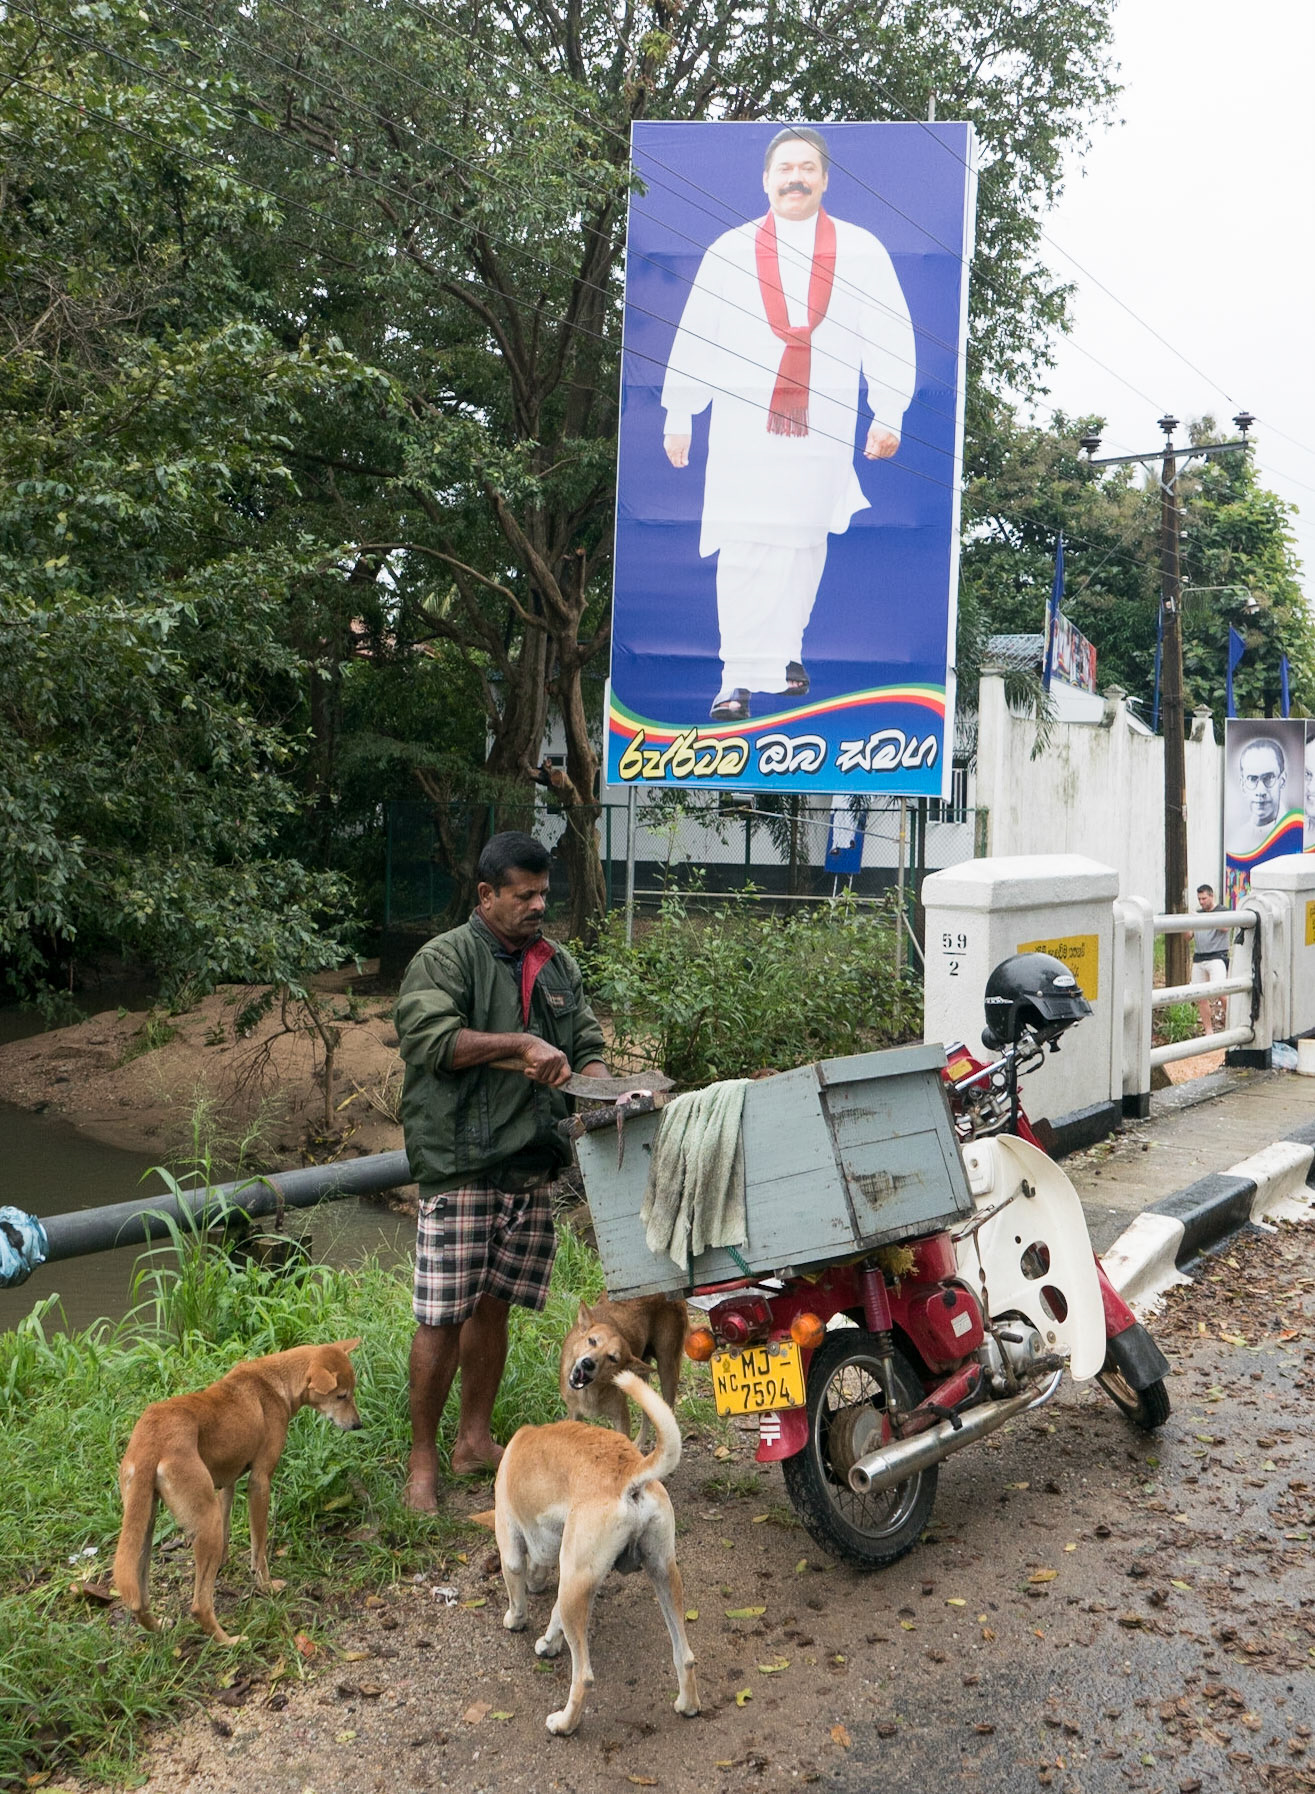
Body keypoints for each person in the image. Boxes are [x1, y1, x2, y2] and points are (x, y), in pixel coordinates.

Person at [661, 126, 916, 723]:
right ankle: (736, 677)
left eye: (807, 168)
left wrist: (889, 412)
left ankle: (785, 654)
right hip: (742, 432)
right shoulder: (729, 251)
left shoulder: (861, 251)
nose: (795, 178)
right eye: (785, 168)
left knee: (804, 543)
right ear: (766, 180)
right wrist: (680, 412)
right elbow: (698, 334)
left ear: (824, 180)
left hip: (822, 431)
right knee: (745, 545)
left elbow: (888, 335)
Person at [394, 831, 608, 1510]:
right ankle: (422, 1461)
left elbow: (586, 1042)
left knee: (494, 1306)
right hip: (459, 1163)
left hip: (529, 1161)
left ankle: (473, 1441)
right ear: (486, 895)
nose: (538, 905)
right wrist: (520, 1044)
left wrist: (604, 1086)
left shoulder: (556, 964)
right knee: (441, 1317)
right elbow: (431, 1039)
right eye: (524, 895)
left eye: (544, 893)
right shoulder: (444, 958)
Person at [1190, 883, 1230, 1037]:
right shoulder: (1198, 914)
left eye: (1204, 898)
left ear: (1212, 896)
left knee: (1221, 992)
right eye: (1199, 899)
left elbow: (1225, 928)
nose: (1201, 902)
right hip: (1199, 958)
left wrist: (1201, 918)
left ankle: (1231, 1023)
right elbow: (1188, 936)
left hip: (1217, 956)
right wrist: (1188, 921)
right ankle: (1208, 1031)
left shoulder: (1222, 911)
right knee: (1200, 996)